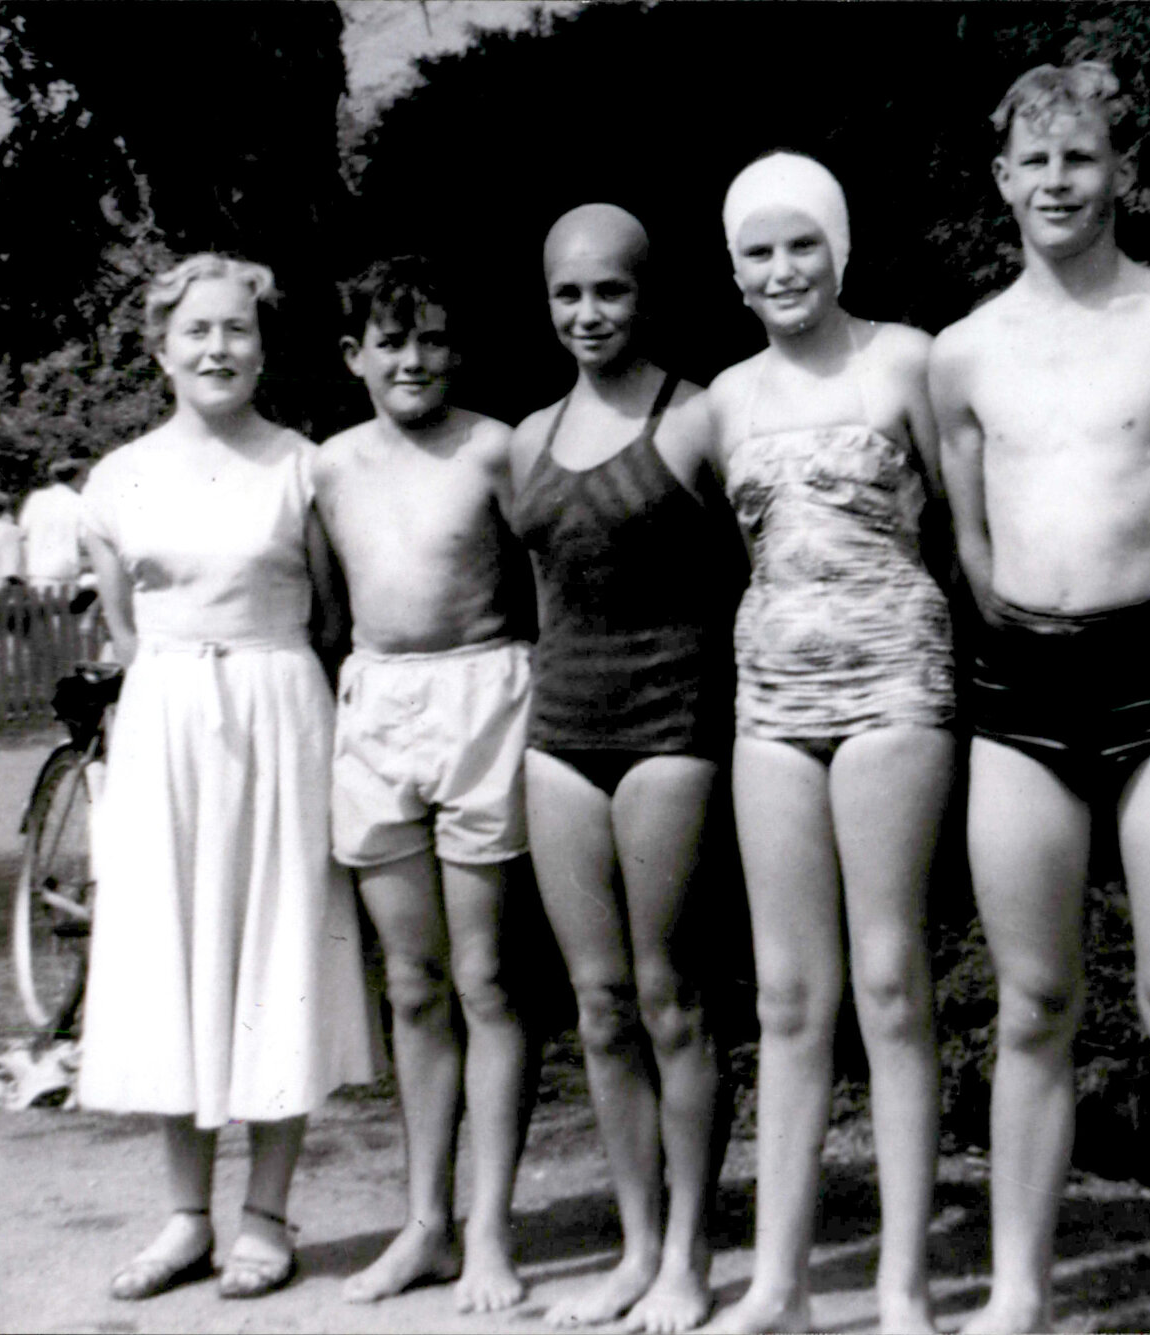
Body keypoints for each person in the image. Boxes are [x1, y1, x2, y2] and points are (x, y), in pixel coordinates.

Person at [929, 63, 1150, 1335]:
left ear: (1117, 172)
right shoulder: (962, 354)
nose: (1057, 183)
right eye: (1034, 162)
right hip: (1023, 688)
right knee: (1031, 1002)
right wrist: (1024, 623)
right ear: (1002, 181)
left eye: (1079, 159)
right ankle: (1017, 1293)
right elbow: (966, 544)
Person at [73, 253, 381, 1301]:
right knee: (177, 952)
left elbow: (333, 618)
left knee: (275, 945)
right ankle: (185, 1215)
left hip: (277, 709)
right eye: (196, 331)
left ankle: (266, 1214)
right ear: (160, 349)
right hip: (167, 718)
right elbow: (125, 625)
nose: (217, 349)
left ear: (262, 346)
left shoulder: (306, 468)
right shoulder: (117, 479)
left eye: (236, 331)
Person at [700, 152, 956, 1335]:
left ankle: (901, 1288)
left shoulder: (903, 358)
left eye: (800, 243)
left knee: (891, 982)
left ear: (838, 249)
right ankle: (779, 1286)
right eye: (757, 250)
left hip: (892, 681)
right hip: (769, 698)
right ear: (734, 270)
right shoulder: (723, 400)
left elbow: (969, 519)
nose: (781, 268)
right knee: (787, 998)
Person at [508, 205, 738, 1333]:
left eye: (608, 291)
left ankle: (691, 1255)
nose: (587, 312)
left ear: (644, 294)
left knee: (669, 998)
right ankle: (635, 1247)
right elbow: (545, 598)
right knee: (597, 1008)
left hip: (669, 728)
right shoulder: (524, 438)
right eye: (566, 294)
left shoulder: (697, 418)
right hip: (558, 735)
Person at [312, 257, 536, 1314]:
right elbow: (321, 615)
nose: (412, 359)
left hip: (483, 701)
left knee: (486, 978)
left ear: (458, 349)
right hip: (377, 707)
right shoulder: (325, 470)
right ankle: (424, 1224)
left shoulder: (494, 449)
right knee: (412, 982)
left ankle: (487, 1233)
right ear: (352, 355)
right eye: (389, 341)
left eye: (432, 338)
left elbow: (543, 590)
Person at [19, 457, 90, 591]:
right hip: (65, 573)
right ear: (77, 478)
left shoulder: (36, 498)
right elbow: (85, 539)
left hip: (37, 572)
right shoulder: (80, 502)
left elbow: (24, 532)